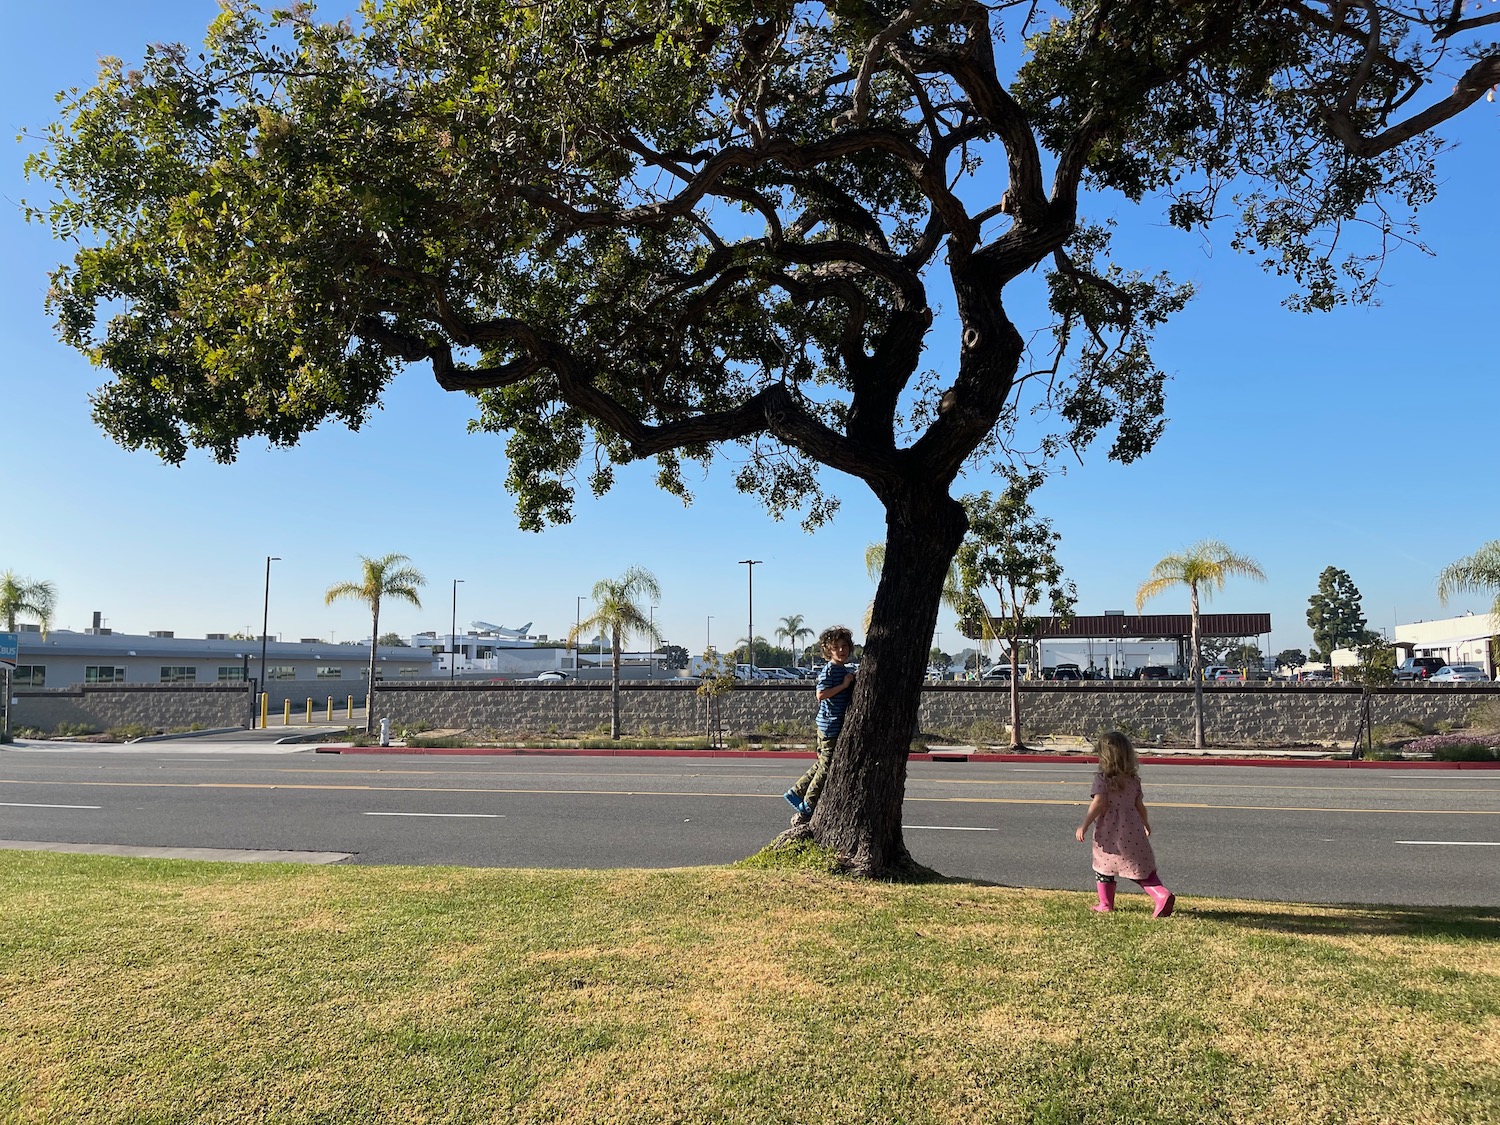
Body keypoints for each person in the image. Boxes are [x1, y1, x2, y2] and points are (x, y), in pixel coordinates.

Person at [1075, 730, 1176, 917]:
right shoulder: (1133, 780)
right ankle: (1160, 892)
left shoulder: (1102, 779)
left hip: (1110, 832)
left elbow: (1099, 803)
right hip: (1133, 830)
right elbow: (1140, 806)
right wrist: (1145, 823)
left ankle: (1106, 904)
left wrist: (1085, 824)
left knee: (1103, 864)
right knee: (1139, 866)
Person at [784, 625, 855, 822]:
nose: (842, 650)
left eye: (845, 646)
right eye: (836, 647)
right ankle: (808, 804)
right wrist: (843, 686)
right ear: (828, 650)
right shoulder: (830, 671)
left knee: (822, 762)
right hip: (829, 726)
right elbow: (821, 695)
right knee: (827, 764)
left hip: (833, 724)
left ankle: (796, 792)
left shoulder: (843, 670)